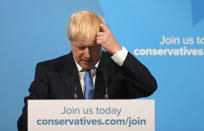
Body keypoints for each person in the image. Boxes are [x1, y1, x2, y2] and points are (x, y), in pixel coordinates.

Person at [17, 10, 157, 131]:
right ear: (71, 42)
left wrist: (116, 49)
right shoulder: (48, 71)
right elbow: (25, 121)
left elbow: (149, 86)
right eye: (81, 47)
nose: (88, 55)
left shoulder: (116, 67)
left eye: (94, 47)